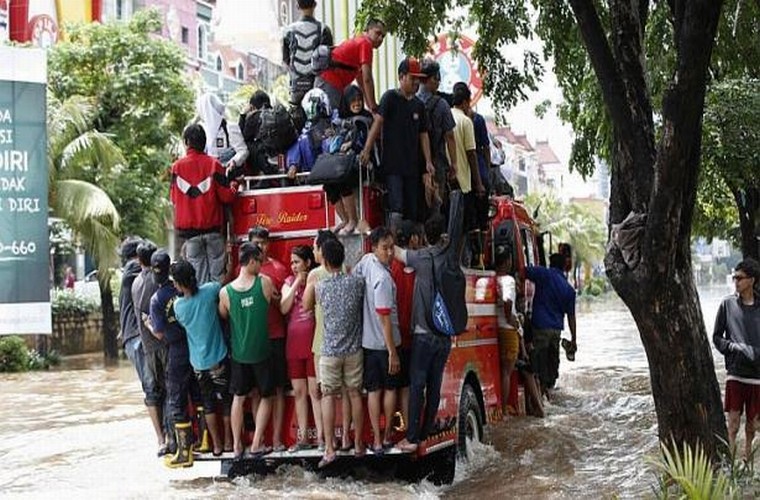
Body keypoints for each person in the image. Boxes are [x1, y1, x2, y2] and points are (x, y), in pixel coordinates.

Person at [395, 212, 459, 453]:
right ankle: (425, 432)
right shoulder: (451, 256)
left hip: (423, 333)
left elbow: (397, 253)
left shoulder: (420, 258)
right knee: (435, 384)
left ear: (423, 236)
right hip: (445, 334)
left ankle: (411, 437)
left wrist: (370, 231)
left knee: (417, 383)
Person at [304, 238, 365, 468]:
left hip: (329, 350)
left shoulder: (320, 287)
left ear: (326, 261)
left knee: (328, 396)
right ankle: (358, 443)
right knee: (355, 394)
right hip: (354, 350)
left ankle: (329, 448)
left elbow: (305, 306)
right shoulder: (357, 283)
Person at [360, 57, 435, 227]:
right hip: (393, 166)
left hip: (413, 167)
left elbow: (424, 135)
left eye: (418, 79)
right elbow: (377, 123)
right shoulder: (390, 98)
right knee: (396, 207)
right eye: (412, 78)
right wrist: (366, 149)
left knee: (412, 210)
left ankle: (411, 247)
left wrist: (428, 161)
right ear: (401, 77)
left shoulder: (419, 106)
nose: (416, 82)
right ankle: (393, 245)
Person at [218, 242, 275, 458]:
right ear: (251, 261)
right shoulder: (265, 284)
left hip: (239, 354)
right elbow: (270, 304)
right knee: (267, 396)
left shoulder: (225, 292)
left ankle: (236, 447)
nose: (262, 264)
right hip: (262, 352)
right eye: (259, 261)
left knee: (239, 398)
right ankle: (257, 443)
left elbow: (223, 314)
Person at [171, 260, 233, 456]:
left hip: (198, 364)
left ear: (180, 284)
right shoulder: (210, 291)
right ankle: (230, 442)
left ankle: (216, 445)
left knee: (208, 404)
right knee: (225, 401)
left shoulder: (179, 306)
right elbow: (225, 282)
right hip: (219, 358)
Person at [353, 226, 402, 453]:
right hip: (384, 345)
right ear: (374, 248)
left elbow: (354, 278)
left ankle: (375, 439)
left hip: (367, 343)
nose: (390, 253)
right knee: (389, 389)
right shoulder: (382, 278)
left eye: (392, 248)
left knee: (373, 390)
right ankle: (386, 435)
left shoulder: (366, 262)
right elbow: (384, 318)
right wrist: (392, 351)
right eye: (385, 248)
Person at [170, 124, 239, 283]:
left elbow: (174, 199)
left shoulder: (176, 168)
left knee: (199, 280)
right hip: (214, 232)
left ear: (186, 142)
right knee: (217, 280)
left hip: (191, 235)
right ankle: (217, 307)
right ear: (204, 141)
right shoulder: (214, 164)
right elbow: (227, 197)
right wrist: (234, 186)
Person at [118, 236, 167, 454]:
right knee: (152, 386)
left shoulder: (134, 273)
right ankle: (161, 438)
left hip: (139, 335)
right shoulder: (132, 270)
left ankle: (165, 436)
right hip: (138, 336)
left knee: (158, 385)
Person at [147, 250, 194, 468]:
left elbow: (158, 333)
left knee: (176, 400)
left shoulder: (156, 299)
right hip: (196, 346)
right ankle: (203, 442)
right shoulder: (189, 289)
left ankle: (184, 452)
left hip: (176, 352)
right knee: (199, 395)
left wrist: (147, 324)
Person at [712, 258, 760, 460]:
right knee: (732, 424)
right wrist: (733, 348)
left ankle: (747, 465)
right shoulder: (727, 304)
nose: (736, 282)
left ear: (752, 280)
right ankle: (731, 466)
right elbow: (716, 337)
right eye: (734, 278)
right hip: (735, 374)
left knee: (752, 427)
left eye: (739, 278)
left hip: (757, 377)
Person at [248, 226, 290, 452]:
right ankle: (259, 438)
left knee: (278, 389)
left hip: (276, 335)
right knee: (256, 391)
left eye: (264, 243)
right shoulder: (242, 269)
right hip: (254, 340)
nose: (261, 247)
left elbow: (284, 305)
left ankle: (276, 438)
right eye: (257, 243)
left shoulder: (279, 269)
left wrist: (272, 295)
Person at [280, 245, 323, 451]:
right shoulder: (289, 282)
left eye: (297, 262)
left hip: (314, 343)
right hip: (293, 344)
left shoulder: (316, 279)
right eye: (292, 263)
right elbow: (284, 307)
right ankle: (303, 437)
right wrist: (297, 280)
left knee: (316, 391)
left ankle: (323, 437)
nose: (294, 266)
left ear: (308, 262)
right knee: (299, 392)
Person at [130, 240, 170, 456]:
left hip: (146, 346)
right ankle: (173, 437)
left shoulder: (136, 283)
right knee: (170, 390)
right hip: (161, 343)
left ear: (138, 260)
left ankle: (160, 439)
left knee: (153, 393)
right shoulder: (158, 284)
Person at [525, 253, 577, 398]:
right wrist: (574, 339)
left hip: (540, 329)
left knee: (538, 365)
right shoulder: (568, 289)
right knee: (551, 365)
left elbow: (523, 271)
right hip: (556, 332)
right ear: (563, 267)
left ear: (550, 263)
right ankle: (549, 395)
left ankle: (540, 397)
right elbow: (571, 317)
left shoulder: (543, 274)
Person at [390, 220, 422, 431]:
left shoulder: (389, 266)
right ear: (412, 239)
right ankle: (413, 426)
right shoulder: (420, 263)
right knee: (413, 384)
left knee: (399, 386)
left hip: (393, 336)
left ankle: (401, 428)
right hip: (414, 335)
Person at [450, 82, 486, 267]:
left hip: (447, 182)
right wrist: (478, 184)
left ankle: (453, 260)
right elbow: (472, 154)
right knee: (467, 226)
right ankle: (468, 260)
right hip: (464, 184)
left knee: (450, 227)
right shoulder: (466, 121)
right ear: (465, 102)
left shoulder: (445, 116)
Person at [314, 18, 386, 112]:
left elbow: (361, 82)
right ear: (367, 30)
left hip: (325, 81)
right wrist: (373, 106)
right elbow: (367, 79)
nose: (380, 38)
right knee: (330, 119)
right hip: (330, 83)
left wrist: (370, 107)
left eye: (383, 36)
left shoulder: (359, 41)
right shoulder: (366, 44)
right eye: (378, 33)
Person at [417, 60, 457, 217]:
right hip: (436, 162)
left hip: (415, 163)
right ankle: (435, 233)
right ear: (428, 79)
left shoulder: (410, 102)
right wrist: (454, 163)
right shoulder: (441, 105)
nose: (439, 81)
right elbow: (450, 136)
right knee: (436, 202)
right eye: (437, 78)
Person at [282, 0, 333, 106]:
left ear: (297, 6)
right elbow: (329, 61)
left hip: (296, 88)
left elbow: (285, 61)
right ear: (315, 5)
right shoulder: (324, 30)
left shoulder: (288, 31)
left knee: (296, 119)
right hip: (317, 87)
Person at [494, 244, 519, 419]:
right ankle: (503, 409)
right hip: (509, 331)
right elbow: (508, 301)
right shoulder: (508, 280)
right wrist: (511, 319)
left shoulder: (493, 279)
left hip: (497, 329)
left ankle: (500, 408)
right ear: (508, 261)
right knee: (506, 372)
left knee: (501, 370)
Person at [195, 92, 248, 170]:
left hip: (227, 174)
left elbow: (243, 150)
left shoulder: (230, 128)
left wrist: (234, 162)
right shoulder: (201, 130)